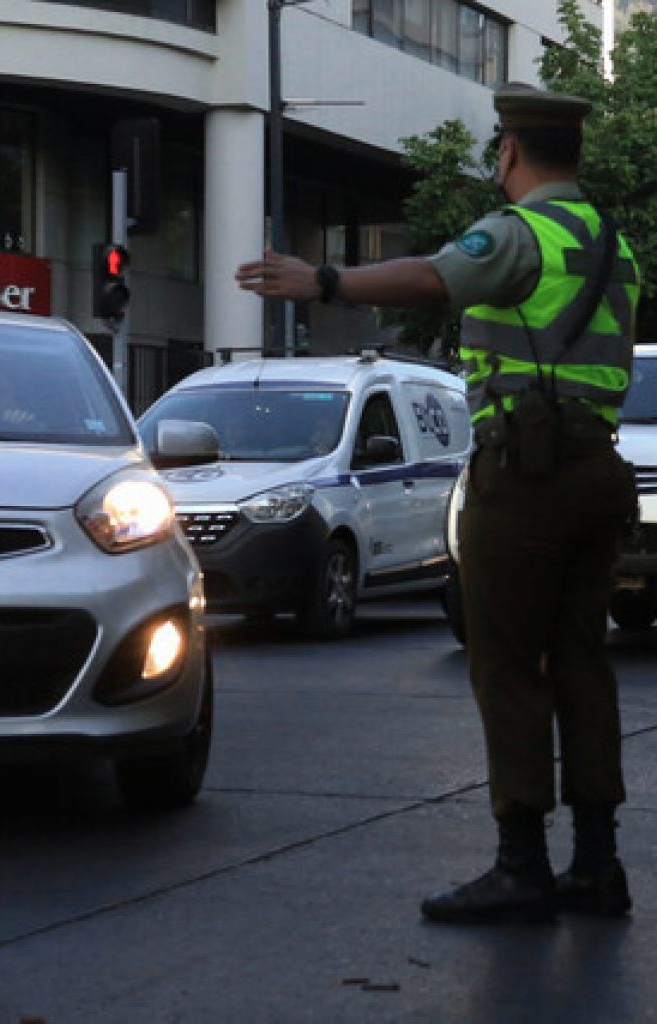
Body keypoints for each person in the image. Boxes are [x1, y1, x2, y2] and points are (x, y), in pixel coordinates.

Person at [236, 82, 640, 925]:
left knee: (508, 664)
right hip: (597, 472)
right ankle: (598, 864)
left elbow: (434, 277)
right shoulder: (613, 244)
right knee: (581, 663)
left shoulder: (519, 232)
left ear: (509, 151)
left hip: (524, 478)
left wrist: (324, 280)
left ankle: (521, 866)